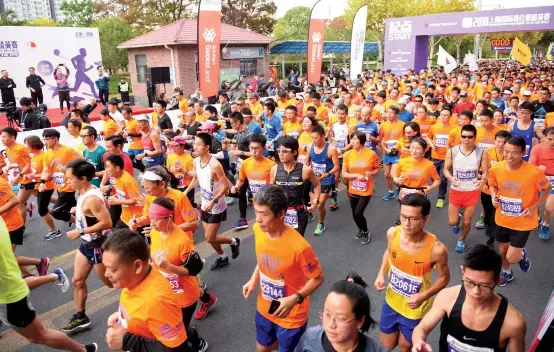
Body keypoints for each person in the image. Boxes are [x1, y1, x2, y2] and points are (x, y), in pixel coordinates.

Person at [242, 185, 324, 352]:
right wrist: (253, 279)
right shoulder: (258, 229)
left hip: (291, 314)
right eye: (256, 212)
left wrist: (294, 298)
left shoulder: (299, 247)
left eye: (264, 214)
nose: (258, 219)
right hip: (265, 307)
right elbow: (263, 258)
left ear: (280, 214)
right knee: (262, 349)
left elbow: (318, 277)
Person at [0, 216, 98, 351]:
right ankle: (54, 276)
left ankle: (83, 350)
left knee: (39, 335)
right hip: (9, 284)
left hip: (8, 297)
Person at [411, 245, 526, 352]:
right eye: (469, 282)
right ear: (462, 271)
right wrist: (419, 342)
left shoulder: (513, 323)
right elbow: (421, 329)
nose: (475, 292)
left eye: (484, 286)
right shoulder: (447, 297)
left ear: (498, 281)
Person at [374, 194, 450, 352]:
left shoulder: (437, 249)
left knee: (405, 346)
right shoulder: (392, 233)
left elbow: (444, 278)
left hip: (415, 309)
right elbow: (388, 251)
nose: (406, 223)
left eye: (413, 219)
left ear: (425, 219)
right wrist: (381, 273)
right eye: (403, 216)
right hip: (391, 301)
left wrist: (424, 296)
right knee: (387, 345)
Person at [103, 229, 194, 351]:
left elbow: (177, 348)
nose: (106, 274)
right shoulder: (138, 277)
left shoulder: (157, 301)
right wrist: (123, 317)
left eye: (113, 270)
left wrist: (128, 341)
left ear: (137, 266)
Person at [488, 136, 551, 286]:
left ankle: (520, 255)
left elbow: (547, 188)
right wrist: (493, 196)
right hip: (502, 217)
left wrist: (534, 207)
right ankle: (507, 272)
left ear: (523, 152)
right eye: (506, 152)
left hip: (523, 221)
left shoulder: (533, 172)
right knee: (502, 249)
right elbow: (492, 184)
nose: (509, 156)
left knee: (512, 257)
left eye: (514, 153)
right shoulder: (496, 168)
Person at [148, 198, 209, 352]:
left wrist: (168, 266)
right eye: (151, 219)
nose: (152, 223)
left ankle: (198, 343)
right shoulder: (155, 233)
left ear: (168, 218)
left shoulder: (182, 240)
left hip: (184, 294)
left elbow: (192, 271)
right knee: (171, 323)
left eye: (156, 220)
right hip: (165, 290)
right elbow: (154, 255)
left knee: (179, 326)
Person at [60, 159, 113, 333]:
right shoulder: (82, 192)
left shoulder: (92, 199)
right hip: (87, 243)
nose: (68, 181)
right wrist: (78, 212)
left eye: (70, 178)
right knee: (77, 280)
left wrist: (81, 231)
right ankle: (81, 317)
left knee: (112, 283)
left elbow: (107, 223)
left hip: (98, 245)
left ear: (83, 178)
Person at [185, 133, 240, 271]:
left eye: (198, 144)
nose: (195, 147)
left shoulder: (215, 165)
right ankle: (222, 257)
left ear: (207, 147)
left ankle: (233, 241)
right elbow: (196, 178)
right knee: (212, 237)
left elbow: (225, 186)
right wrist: (185, 192)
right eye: (194, 143)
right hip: (205, 203)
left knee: (209, 237)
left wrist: (213, 201)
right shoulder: (196, 161)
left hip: (216, 205)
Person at [295, 272, 387, 352]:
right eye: (327, 314)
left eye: (341, 318)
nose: (331, 325)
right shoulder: (310, 338)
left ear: (360, 321)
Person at [444, 124, 488, 253]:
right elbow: (446, 170)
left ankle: (461, 239)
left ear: (475, 137)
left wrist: (482, 181)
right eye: (464, 136)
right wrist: (452, 179)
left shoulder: (481, 153)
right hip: (456, 190)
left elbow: (485, 172)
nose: (466, 139)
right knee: (452, 222)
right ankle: (457, 220)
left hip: (472, 191)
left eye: (470, 137)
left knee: (467, 221)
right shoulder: (452, 151)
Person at [270, 136, 321, 237]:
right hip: (280, 213)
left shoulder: (305, 170)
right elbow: (271, 192)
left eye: (285, 151)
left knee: (296, 244)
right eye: (279, 150)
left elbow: (317, 185)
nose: (281, 154)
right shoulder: (274, 169)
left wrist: (315, 200)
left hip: (298, 213)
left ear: (294, 152)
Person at [342, 131, 380, 245]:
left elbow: (377, 169)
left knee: (358, 213)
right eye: (351, 139)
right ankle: (360, 228)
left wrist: (371, 174)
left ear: (362, 141)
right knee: (354, 213)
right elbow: (344, 174)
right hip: (353, 188)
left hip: (366, 188)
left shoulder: (371, 154)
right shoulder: (347, 154)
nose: (352, 142)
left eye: (354, 139)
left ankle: (365, 231)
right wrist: (355, 176)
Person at [231, 133, 276, 230]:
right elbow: (241, 180)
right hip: (257, 202)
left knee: (268, 227)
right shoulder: (245, 163)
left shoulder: (272, 165)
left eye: (257, 148)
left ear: (264, 149)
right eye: (251, 148)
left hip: (269, 202)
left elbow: (275, 186)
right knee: (261, 228)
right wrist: (235, 187)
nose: (253, 152)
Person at [39, 129, 81, 226]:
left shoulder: (68, 151)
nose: (45, 142)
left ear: (56, 139)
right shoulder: (47, 154)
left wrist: (67, 168)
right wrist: (42, 182)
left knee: (56, 212)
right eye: (44, 139)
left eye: (47, 139)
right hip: (59, 186)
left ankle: (80, 224)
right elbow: (46, 170)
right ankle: (88, 220)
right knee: (72, 208)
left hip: (69, 186)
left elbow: (82, 161)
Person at [23, 135, 61, 240]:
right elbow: (37, 171)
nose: (25, 146)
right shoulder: (34, 156)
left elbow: (48, 173)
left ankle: (55, 231)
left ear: (32, 145)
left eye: (26, 143)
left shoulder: (43, 156)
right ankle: (65, 213)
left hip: (46, 186)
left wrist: (33, 176)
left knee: (42, 210)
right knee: (44, 208)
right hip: (39, 185)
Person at [480, 130, 512, 246]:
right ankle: (488, 227)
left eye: (504, 142)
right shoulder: (487, 152)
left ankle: (492, 237)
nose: (501, 144)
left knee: (496, 214)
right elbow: (482, 170)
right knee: (488, 212)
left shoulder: (510, 154)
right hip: (486, 189)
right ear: (495, 141)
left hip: (502, 191)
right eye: (498, 141)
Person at [307, 124, 340, 236]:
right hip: (314, 179)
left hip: (326, 179)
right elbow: (307, 163)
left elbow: (337, 166)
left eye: (316, 137)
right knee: (314, 203)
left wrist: (327, 174)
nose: (314, 140)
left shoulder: (331, 149)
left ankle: (321, 224)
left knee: (320, 205)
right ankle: (333, 194)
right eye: (312, 137)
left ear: (322, 136)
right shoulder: (310, 146)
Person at [1, 127, 36, 225]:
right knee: (41, 195)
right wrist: (9, 167)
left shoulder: (21, 149)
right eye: (1, 137)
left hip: (27, 178)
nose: (2, 139)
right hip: (22, 178)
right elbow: (15, 163)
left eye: (4, 137)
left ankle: (22, 228)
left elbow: (29, 164)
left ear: (12, 138)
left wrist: (19, 176)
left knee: (19, 204)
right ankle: (65, 203)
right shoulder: (7, 149)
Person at [101, 154, 142, 229]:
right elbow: (122, 192)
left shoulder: (127, 181)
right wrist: (115, 196)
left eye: (108, 167)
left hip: (135, 219)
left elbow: (136, 201)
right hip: (124, 217)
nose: (106, 170)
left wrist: (117, 201)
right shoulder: (115, 177)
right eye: (105, 167)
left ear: (117, 168)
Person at [530, 126, 554, 240]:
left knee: (549, 208)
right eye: (550, 139)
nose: (553, 142)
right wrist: (537, 167)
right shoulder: (537, 148)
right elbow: (530, 164)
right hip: (540, 177)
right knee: (537, 205)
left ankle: (545, 226)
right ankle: (537, 217)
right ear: (544, 137)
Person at [380, 106, 406, 201]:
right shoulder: (383, 125)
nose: (388, 115)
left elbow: (405, 139)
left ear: (396, 115)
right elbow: (381, 140)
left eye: (391, 113)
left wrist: (397, 147)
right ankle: (390, 192)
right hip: (387, 153)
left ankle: (398, 188)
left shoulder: (403, 125)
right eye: (387, 112)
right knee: (386, 174)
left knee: (393, 174)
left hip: (398, 154)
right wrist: (386, 150)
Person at [167, 136, 195, 204]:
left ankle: (197, 206)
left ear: (182, 146)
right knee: (176, 204)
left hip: (186, 187)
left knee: (189, 205)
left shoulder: (190, 159)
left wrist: (183, 171)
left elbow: (193, 176)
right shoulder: (170, 157)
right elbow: (167, 169)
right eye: (172, 146)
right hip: (174, 185)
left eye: (176, 146)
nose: (173, 148)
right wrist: (170, 169)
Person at [121, 106, 144, 171]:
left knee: (139, 161)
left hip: (138, 146)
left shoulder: (136, 122)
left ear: (130, 113)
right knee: (129, 161)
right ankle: (143, 169)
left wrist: (129, 134)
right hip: (131, 146)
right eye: (122, 114)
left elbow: (140, 134)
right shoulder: (127, 122)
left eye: (125, 114)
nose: (123, 116)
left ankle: (143, 171)